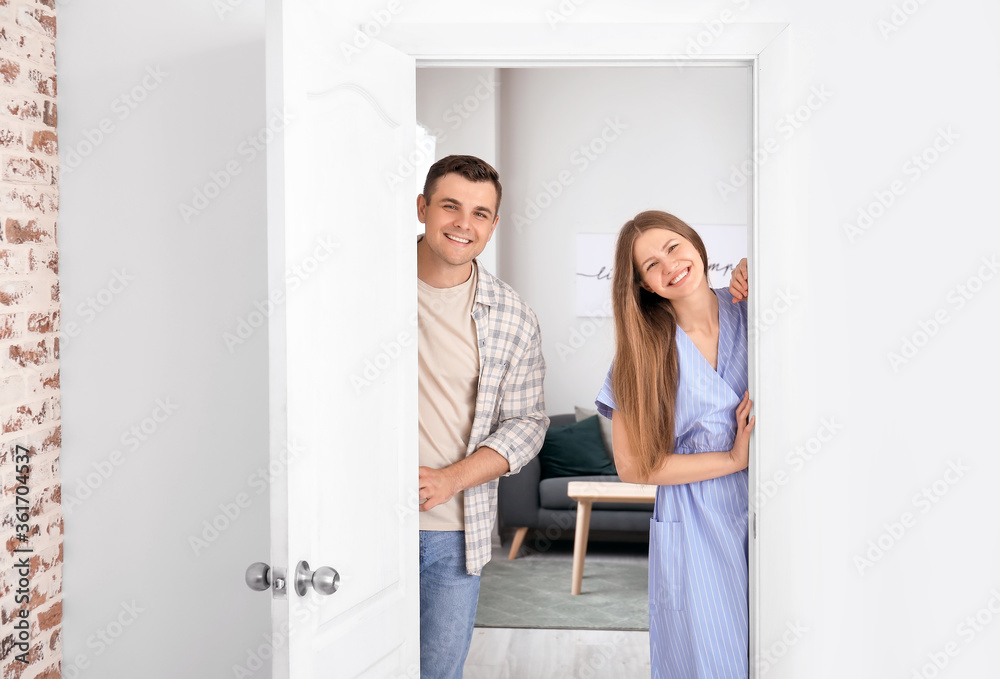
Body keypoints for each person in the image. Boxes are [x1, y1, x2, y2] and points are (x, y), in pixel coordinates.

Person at [594, 210, 754, 679]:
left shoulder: (754, 309)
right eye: (650, 265)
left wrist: (763, 264)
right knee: (711, 660)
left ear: (694, 243)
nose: (669, 265)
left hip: (772, 502)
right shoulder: (641, 354)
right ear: (642, 285)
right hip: (694, 518)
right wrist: (731, 458)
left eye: (672, 247)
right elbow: (632, 467)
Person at [415, 154, 548, 679]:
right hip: (359, 526)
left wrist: (450, 480)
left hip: (452, 536)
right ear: (422, 208)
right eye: (450, 206)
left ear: (493, 224)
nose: (462, 224)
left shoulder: (513, 315)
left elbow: (527, 423)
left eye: (480, 213)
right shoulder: (361, 292)